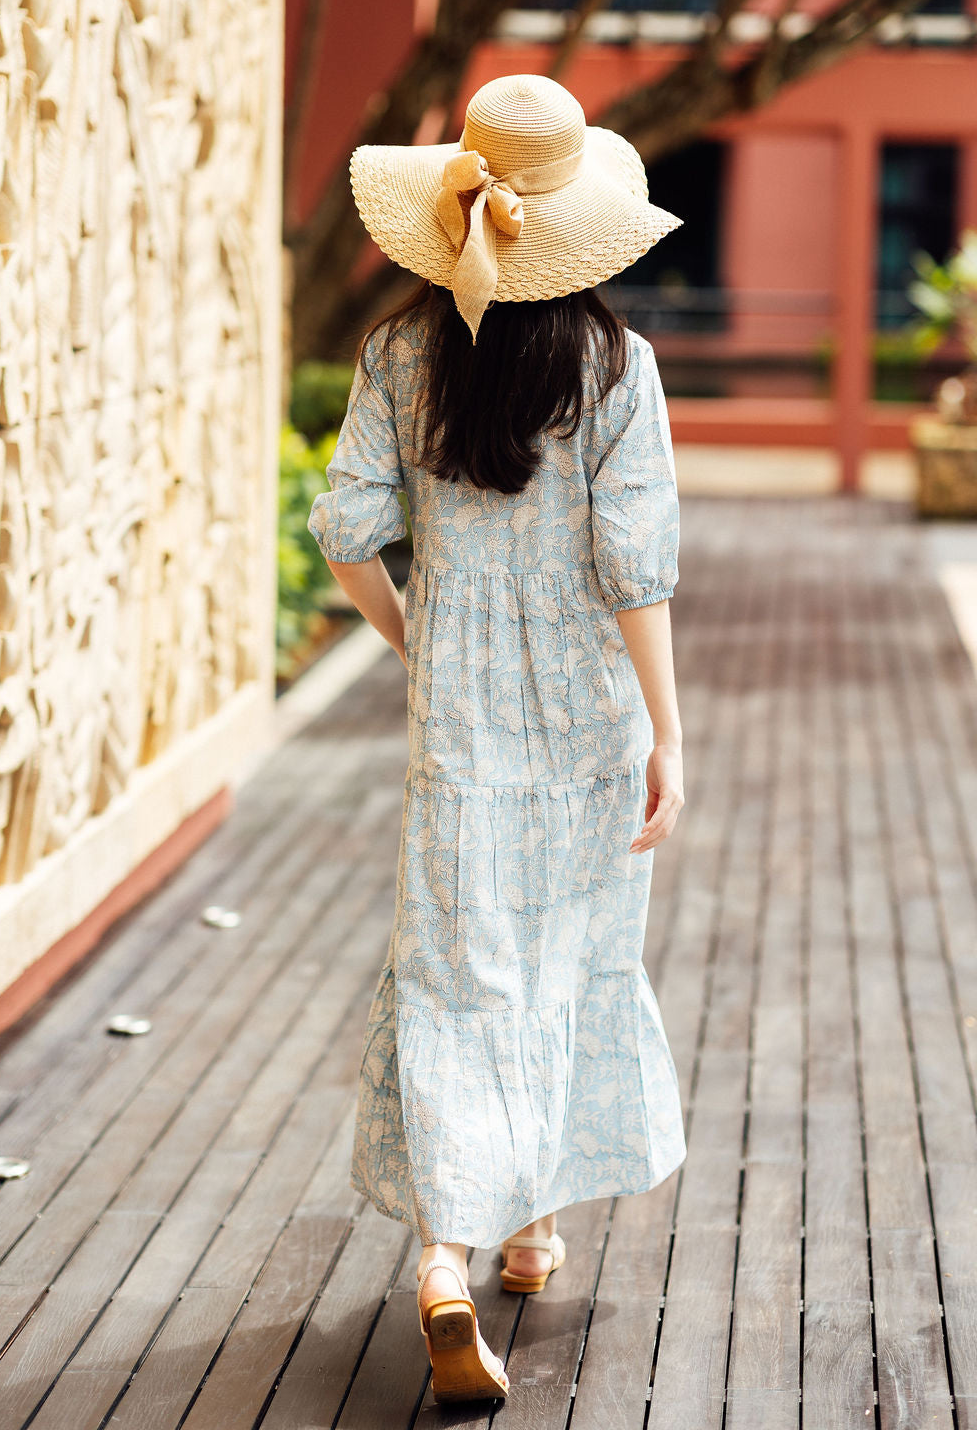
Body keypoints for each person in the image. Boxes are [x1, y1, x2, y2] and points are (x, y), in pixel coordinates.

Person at [307, 73, 688, 1405]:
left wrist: (415, 640)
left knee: (462, 969)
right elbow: (636, 567)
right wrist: (670, 735)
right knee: (567, 956)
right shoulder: (616, 367)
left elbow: (346, 530)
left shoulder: (400, 357)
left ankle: (456, 1257)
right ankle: (533, 1230)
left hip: (458, 722)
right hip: (585, 716)